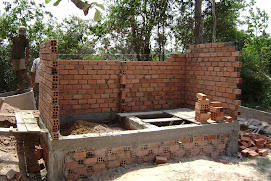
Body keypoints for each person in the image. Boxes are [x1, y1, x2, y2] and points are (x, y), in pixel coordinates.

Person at [9, 26, 32, 93]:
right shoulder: (15, 38)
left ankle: (30, 86)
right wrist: (11, 56)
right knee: (18, 72)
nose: (22, 34)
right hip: (15, 57)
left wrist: (27, 59)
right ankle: (22, 87)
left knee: (23, 71)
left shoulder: (26, 39)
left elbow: (27, 49)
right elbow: (13, 47)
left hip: (21, 57)